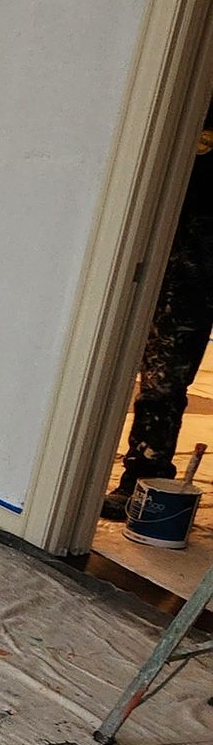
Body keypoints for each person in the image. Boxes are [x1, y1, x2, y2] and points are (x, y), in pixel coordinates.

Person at [103, 103, 213, 518]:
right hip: (172, 240)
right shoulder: (189, 100)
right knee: (152, 374)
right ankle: (140, 477)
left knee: (164, 376)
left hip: (196, 250)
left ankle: (143, 477)